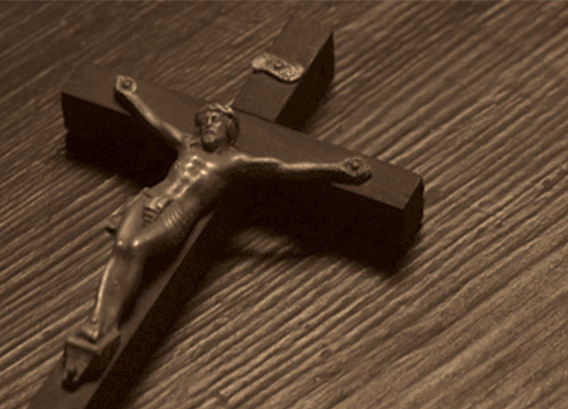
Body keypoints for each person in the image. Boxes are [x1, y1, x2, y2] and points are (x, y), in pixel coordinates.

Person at [63, 75, 371, 388]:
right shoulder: (188, 144)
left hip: (178, 213)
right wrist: (131, 97)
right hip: (148, 199)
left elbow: (284, 168)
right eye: (205, 121)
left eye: (216, 121)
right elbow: (155, 122)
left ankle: (109, 327)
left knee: (136, 247)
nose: (208, 125)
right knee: (120, 247)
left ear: (229, 129)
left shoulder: (234, 161)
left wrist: (337, 169)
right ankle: (96, 322)